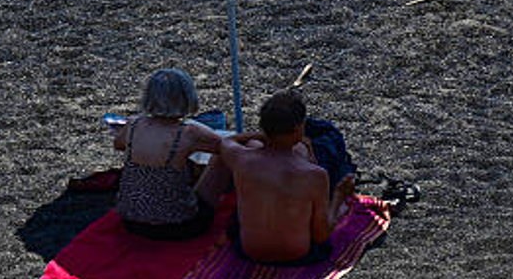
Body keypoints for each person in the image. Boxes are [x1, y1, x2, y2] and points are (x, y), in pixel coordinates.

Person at [202, 90, 355, 265]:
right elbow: (321, 236)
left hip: (249, 252)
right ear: (299, 129)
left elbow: (226, 142)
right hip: (299, 255)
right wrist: (338, 197)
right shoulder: (315, 175)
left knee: (255, 146)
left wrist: (263, 136)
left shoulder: (241, 160)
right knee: (330, 140)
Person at [111, 68, 224, 240]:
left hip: (131, 222)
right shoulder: (189, 132)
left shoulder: (133, 124)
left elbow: (118, 145)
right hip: (180, 227)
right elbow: (227, 147)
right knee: (221, 158)